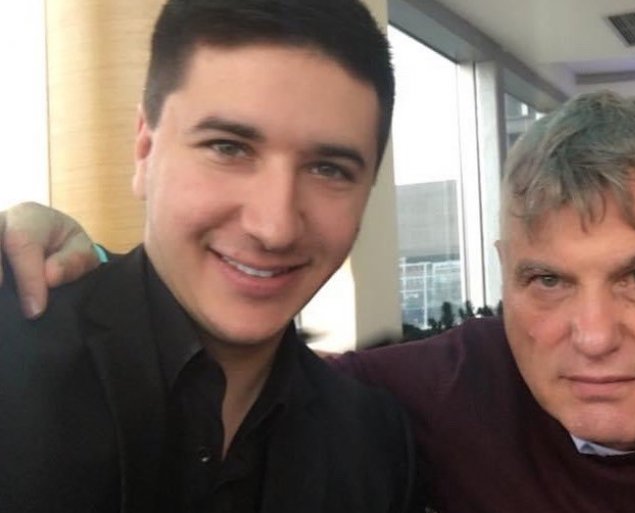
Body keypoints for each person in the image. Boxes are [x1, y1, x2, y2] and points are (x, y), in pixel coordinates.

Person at [5, 90, 635, 511]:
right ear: (506, 274)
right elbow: (235, 366)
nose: (593, 336)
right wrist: (102, 270)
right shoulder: (433, 394)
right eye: (547, 281)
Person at [0, 0, 420, 511]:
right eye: (228, 148)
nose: (275, 227)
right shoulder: (13, 349)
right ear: (144, 150)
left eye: (328, 169)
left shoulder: (375, 444)